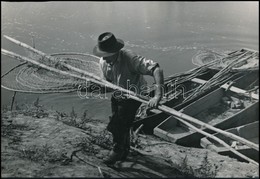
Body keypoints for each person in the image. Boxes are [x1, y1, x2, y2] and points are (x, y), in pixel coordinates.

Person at [93, 32, 164, 165]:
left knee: (117, 123)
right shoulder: (103, 61)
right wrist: (95, 87)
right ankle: (124, 150)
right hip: (118, 92)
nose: (105, 59)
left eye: (107, 56)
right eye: (103, 55)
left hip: (135, 94)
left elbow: (156, 69)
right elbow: (107, 84)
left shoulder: (130, 58)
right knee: (118, 119)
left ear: (116, 51)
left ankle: (117, 150)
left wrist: (158, 96)